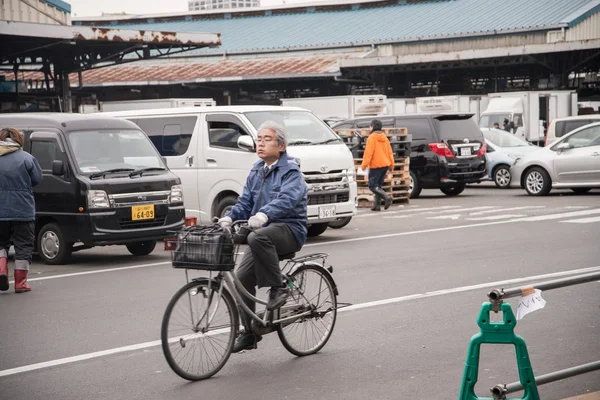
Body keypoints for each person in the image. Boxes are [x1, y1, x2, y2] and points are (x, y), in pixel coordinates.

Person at [218, 121, 308, 352]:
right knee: (241, 279)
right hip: (262, 232)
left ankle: (278, 288)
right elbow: (244, 201)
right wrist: (228, 217)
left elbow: (287, 200)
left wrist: (264, 214)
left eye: (267, 139)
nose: (261, 143)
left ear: (281, 146)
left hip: (289, 229)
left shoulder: (291, 171)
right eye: (259, 139)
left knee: (256, 238)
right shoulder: (257, 170)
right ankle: (249, 332)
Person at [0, 127, 42, 293]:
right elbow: (37, 179)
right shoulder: (27, 158)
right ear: (18, 140)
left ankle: (2, 270)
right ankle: (20, 282)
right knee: (23, 245)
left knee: (0, 242)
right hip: (23, 210)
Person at [360, 119, 394, 211]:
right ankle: (377, 205)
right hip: (385, 165)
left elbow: (368, 153)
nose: (369, 128)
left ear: (373, 127)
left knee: (372, 186)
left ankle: (387, 197)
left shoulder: (371, 138)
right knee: (378, 185)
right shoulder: (384, 137)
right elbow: (390, 152)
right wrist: (391, 166)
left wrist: (363, 166)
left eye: (370, 126)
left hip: (376, 165)